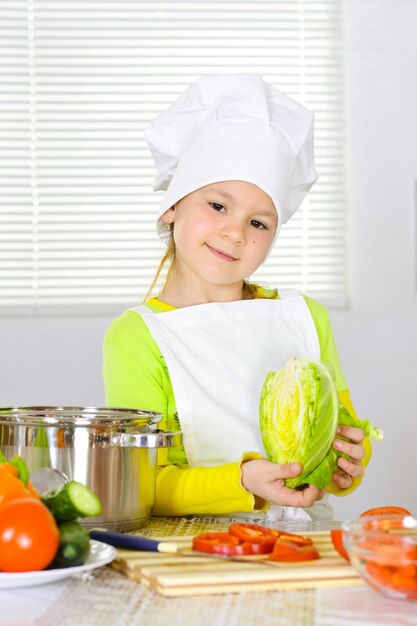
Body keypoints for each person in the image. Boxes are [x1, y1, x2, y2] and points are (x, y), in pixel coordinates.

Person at [103, 74, 372, 521]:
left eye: (260, 223)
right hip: (201, 551)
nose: (235, 232)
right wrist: (243, 481)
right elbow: (146, 484)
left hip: (304, 545)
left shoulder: (305, 317)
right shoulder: (137, 337)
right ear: (172, 206)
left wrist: (348, 467)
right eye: (218, 205)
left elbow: (341, 442)